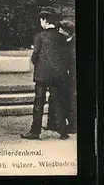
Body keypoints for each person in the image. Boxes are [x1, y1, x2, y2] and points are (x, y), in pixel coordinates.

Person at [21, 10, 69, 140]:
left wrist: (37, 64)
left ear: (44, 20)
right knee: (58, 101)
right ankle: (63, 131)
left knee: (39, 102)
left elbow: (35, 55)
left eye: (41, 20)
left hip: (42, 74)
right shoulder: (61, 37)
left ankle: (35, 131)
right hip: (58, 74)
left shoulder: (39, 36)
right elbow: (66, 57)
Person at [44, 20, 77, 133]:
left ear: (66, 31)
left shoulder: (71, 43)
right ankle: (53, 123)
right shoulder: (66, 41)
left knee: (68, 100)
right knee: (55, 98)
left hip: (68, 77)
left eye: (60, 30)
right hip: (61, 75)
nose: (58, 32)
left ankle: (72, 126)